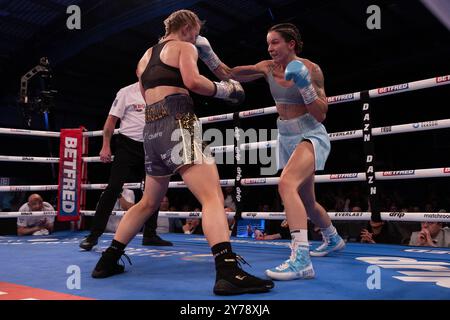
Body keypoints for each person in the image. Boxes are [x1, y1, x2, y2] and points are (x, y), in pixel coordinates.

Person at [91, 9, 273, 295]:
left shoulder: (145, 56)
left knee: (147, 203)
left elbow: (145, 93)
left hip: (150, 129)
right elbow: (193, 82)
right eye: (196, 31)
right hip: (179, 120)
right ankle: (227, 272)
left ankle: (107, 260)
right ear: (188, 27)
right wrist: (225, 91)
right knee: (212, 196)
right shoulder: (184, 46)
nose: (198, 37)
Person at [195, 23, 345, 280]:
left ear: (291, 44)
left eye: (275, 42)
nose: (270, 48)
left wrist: (305, 86)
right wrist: (207, 53)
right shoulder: (267, 68)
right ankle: (332, 238)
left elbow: (321, 115)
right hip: (286, 136)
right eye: (268, 43)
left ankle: (301, 259)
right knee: (307, 201)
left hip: (310, 134)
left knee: (286, 184)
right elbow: (229, 73)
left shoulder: (311, 69)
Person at [79, 82, 172, 250]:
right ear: (138, 72)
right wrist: (105, 145)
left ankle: (150, 234)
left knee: (154, 190)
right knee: (113, 188)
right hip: (127, 146)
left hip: (152, 146)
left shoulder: (160, 92)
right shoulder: (126, 92)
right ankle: (93, 235)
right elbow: (111, 120)